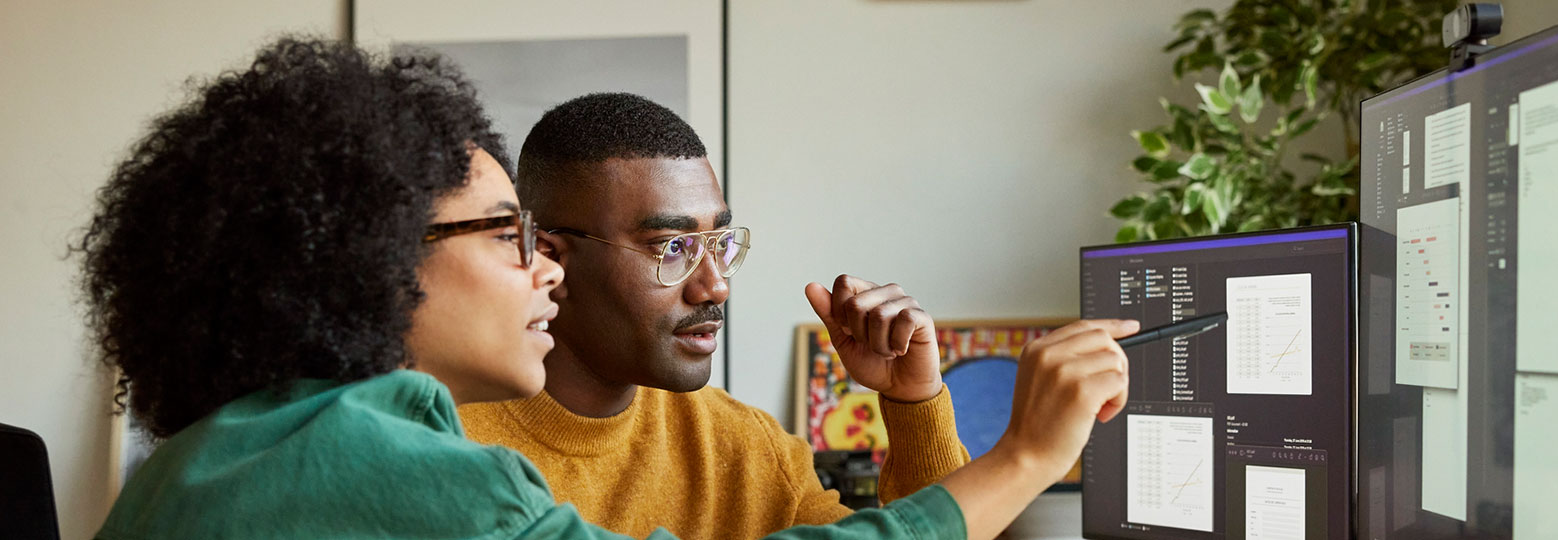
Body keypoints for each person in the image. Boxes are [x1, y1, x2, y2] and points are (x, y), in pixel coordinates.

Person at [81, 37, 1136, 540]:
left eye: (722, 243)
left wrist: (915, 408)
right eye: (509, 236)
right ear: (376, 256)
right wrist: (1027, 455)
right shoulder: (409, 470)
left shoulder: (217, 458)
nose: (538, 265)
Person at [457, 93, 981, 539]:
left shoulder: (747, 449)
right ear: (551, 261)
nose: (716, 286)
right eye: (673, 248)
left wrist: (915, 403)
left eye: (719, 244)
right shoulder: (443, 445)